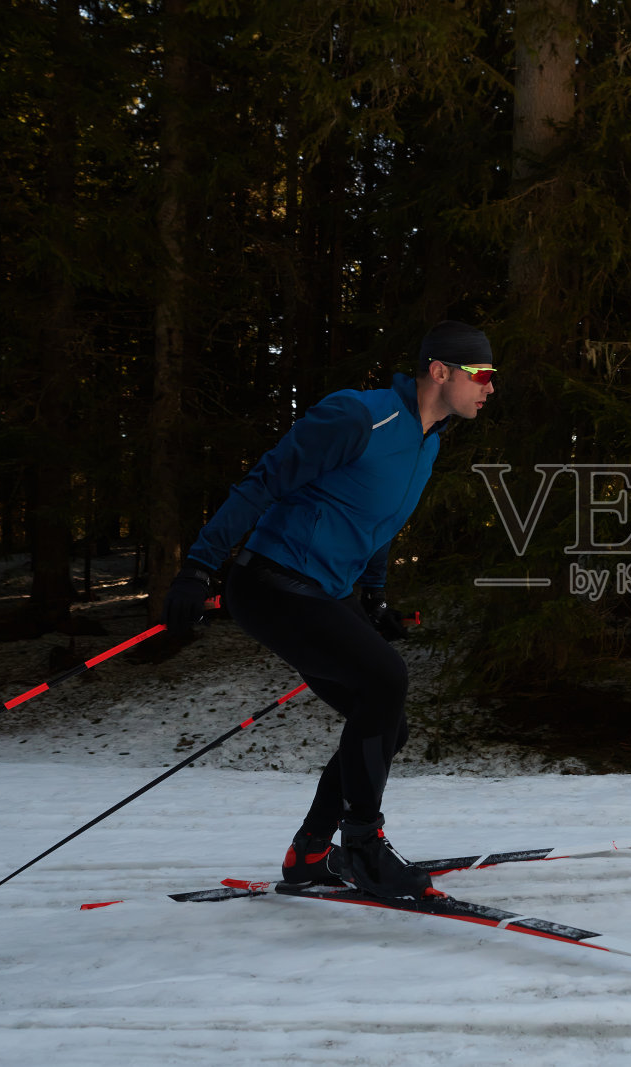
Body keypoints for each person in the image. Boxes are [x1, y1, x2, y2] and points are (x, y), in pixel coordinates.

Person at [159, 321, 496, 899]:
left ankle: (312, 850)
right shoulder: (358, 416)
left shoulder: (428, 439)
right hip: (271, 582)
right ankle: (363, 846)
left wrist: (375, 592)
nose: (490, 387)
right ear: (440, 371)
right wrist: (199, 566)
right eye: (481, 375)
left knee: (389, 723)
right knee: (386, 680)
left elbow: (377, 518)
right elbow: (263, 481)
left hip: (321, 591)